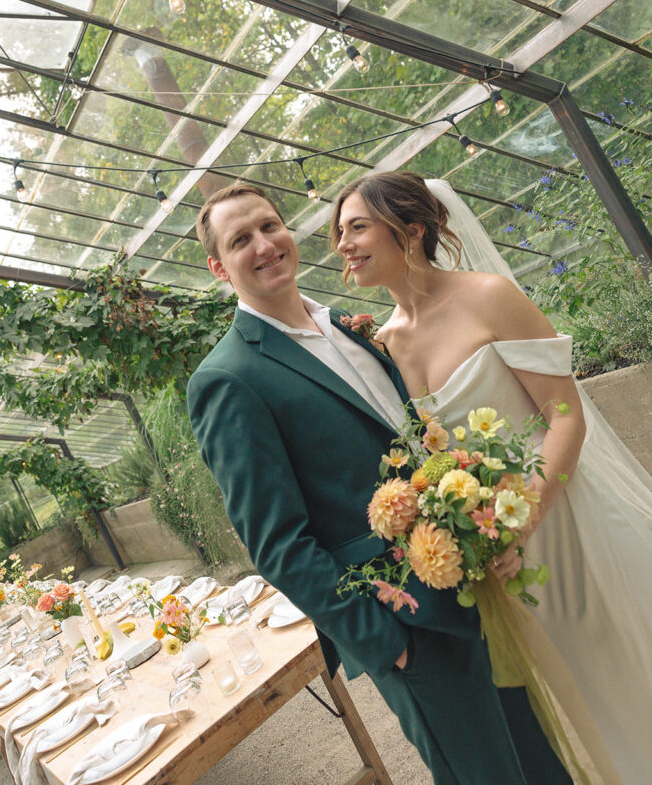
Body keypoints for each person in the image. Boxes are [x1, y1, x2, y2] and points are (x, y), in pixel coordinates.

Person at [187, 182, 573, 785]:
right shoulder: (227, 379)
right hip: (406, 623)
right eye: (241, 240)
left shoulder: (355, 323)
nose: (264, 245)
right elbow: (276, 543)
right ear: (218, 268)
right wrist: (388, 643)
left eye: (270, 226)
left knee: (540, 759)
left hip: (467, 584)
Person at [331, 171, 652, 785]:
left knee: (626, 664)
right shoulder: (383, 343)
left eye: (357, 227)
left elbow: (565, 417)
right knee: (575, 691)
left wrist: (527, 517)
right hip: (496, 554)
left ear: (412, 229)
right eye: (339, 232)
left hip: (561, 517)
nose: (342, 244)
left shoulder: (489, 296)